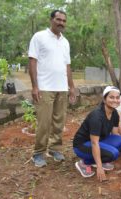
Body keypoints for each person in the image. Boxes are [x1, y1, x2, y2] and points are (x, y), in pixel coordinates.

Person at [28, 10, 76, 167]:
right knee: (43, 122)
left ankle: (55, 149)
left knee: (59, 121)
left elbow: (67, 66)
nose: (61, 22)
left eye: (64, 20)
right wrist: (35, 86)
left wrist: (71, 86)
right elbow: (32, 61)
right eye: (58, 19)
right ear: (51, 20)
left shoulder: (65, 42)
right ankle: (38, 153)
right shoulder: (39, 37)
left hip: (61, 88)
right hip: (45, 88)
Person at [73, 86, 121, 180]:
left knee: (120, 140)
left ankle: (98, 159)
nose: (115, 100)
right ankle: (84, 163)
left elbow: (114, 135)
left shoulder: (114, 113)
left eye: (117, 98)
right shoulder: (96, 116)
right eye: (111, 97)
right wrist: (100, 167)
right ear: (104, 99)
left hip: (98, 141)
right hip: (82, 145)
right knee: (113, 154)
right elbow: (94, 143)